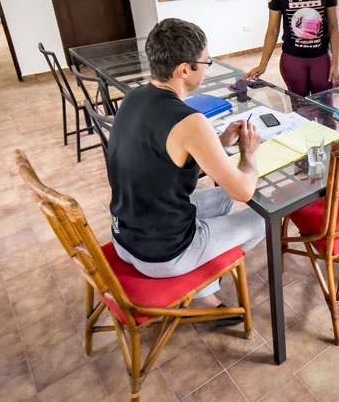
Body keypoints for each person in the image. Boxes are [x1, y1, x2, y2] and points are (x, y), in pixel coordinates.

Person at [107, 18, 266, 309]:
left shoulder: (133, 97)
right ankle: (205, 280)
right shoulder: (190, 121)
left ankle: (204, 280)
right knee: (263, 218)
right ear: (184, 70)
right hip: (161, 255)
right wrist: (249, 153)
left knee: (221, 200)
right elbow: (243, 191)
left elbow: (162, 160)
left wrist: (217, 143)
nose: (207, 68)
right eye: (206, 62)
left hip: (124, 234)